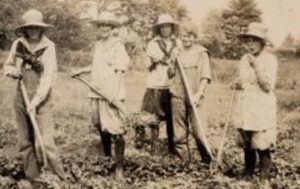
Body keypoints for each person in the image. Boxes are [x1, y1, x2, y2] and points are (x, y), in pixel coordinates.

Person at [3, 9, 65, 181]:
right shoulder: (18, 44)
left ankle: (59, 178)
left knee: (46, 142)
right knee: (25, 140)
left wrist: (35, 102)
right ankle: (34, 178)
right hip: (21, 97)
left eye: (36, 28)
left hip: (42, 99)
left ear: (42, 29)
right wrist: (12, 71)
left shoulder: (48, 47)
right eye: (30, 28)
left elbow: (47, 78)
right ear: (25, 29)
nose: (33, 31)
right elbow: (7, 66)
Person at [71, 11, 129, 180]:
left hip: (111, 93)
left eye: (107, 25)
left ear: (112, 28)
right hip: (96, 91)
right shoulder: (98, 45)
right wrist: (80, 70)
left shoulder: (118, 46)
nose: (104, 28)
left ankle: (119, 168)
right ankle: (107, 159)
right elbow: (96, 66)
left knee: (116, 129)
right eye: (101, 25)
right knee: (100, 125)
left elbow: (120, 70)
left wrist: (113, 93)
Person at [234, 22, 278, 180]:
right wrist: (238, 84)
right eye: (248, 41)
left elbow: (267, 86)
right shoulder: (243, 59)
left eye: (254, 40)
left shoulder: (270, 60)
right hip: (246, 103)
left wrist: (256, 66)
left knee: (261, 142)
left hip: (261, 104)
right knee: (246, 140)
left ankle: (264, 177)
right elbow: (244, 80)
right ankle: (248, 173)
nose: (250, 44)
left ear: (262, 43)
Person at [168, 21, 212, 164]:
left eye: (190, 36)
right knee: (179, 133)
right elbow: (170, 74)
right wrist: (172, 60)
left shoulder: (202, 53)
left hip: (195, 96)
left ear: (195, 37)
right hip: (178, 94)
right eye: (184, 36)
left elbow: (205, 76)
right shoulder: (177, 51)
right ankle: (184, 163)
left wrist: (198, 94)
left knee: (199, 131)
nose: (187, 39)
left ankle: (208, 160)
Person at [140, 14, 182, 156]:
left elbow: (180, 60)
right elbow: (152, 60)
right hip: (156, 84)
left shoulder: (178, 43)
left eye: (168, 26)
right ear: (159, 29)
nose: (165, 29)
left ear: (172, 28)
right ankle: (154, 149)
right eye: (162, 27)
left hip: (172, 85)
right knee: (154, 119)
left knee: (172, 118)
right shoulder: (153, 44)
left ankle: (172, 149)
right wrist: (166, 59)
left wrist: (174, 60)